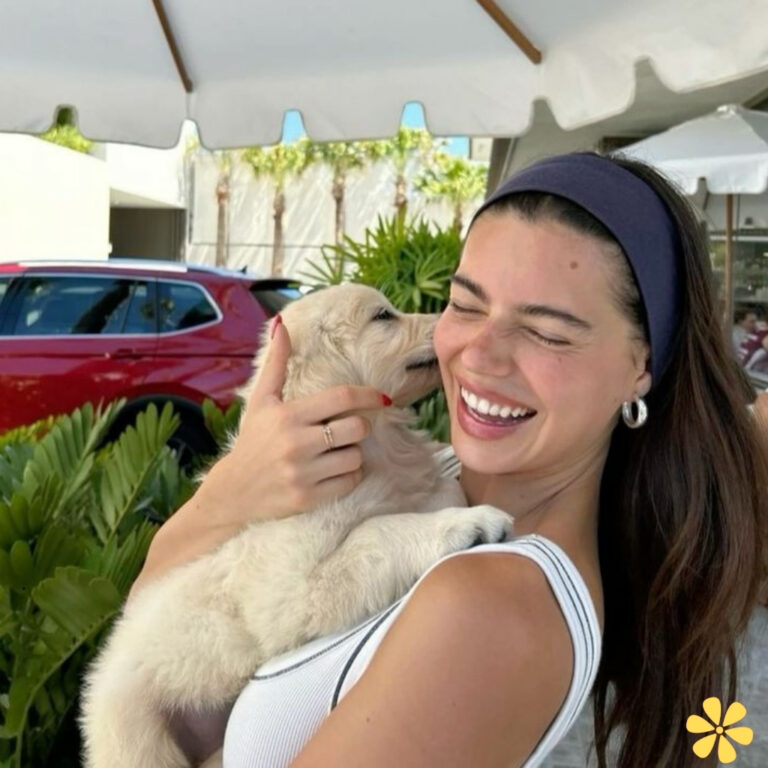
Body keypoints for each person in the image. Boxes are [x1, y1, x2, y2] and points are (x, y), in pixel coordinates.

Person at [131, 153, 768, 768]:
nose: (478, 354)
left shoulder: (489, 605)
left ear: (640, 368)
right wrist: (233, 492)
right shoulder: (434, 484)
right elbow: (144, 641)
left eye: (547, 332)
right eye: (465, 305)